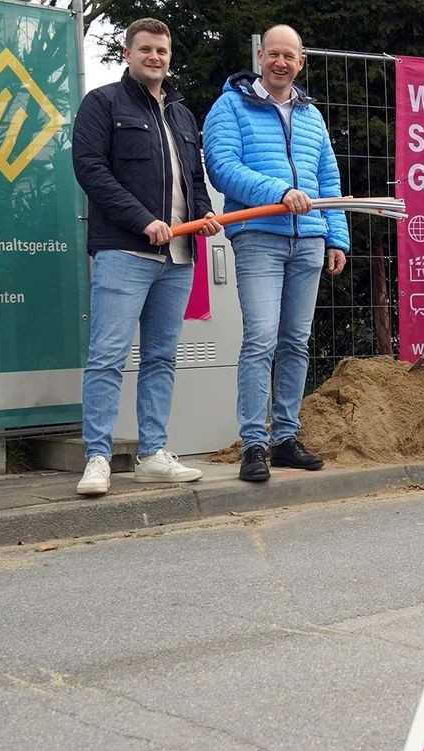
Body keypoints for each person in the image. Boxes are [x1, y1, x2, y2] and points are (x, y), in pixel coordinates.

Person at [72, 17, 221, 497]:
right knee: (108, 356)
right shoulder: (102, 104)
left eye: (162, 50)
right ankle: (97, 457)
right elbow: (90, 170)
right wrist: (141, 220)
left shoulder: (180, 112)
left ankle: (153, 454)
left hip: (179, 256)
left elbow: (193, 178)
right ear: (128, 53)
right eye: (146, 50)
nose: (155, 57)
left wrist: (204, 214)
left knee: (160, 357)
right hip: (124, 251)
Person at [203, 25, 350, 483]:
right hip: (258, 236)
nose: (281, 62)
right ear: (260, 57)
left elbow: (328, 177)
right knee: (262, 339)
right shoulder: (230, 106)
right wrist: (279, 191)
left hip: (307, 239)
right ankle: (253, 443)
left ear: (300, 61)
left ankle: (285, 437)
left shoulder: (311, 115)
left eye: (290, 56)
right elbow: (222, 166)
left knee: (295, 342)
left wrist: (336, 237)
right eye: (273, 54)